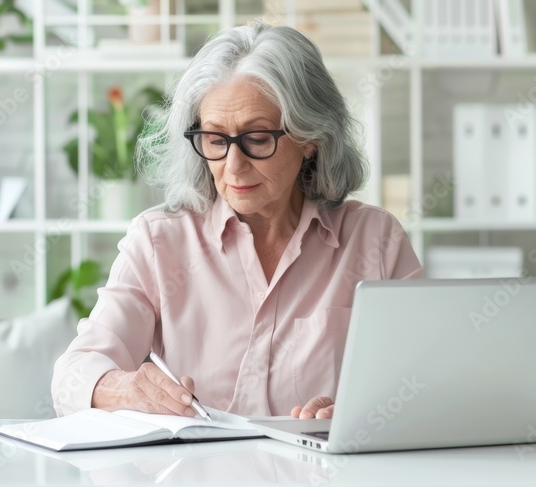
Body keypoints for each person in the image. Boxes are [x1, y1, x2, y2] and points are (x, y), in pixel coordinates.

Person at [51, 21, 422, 422]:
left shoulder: (374, 241)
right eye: (215, 139)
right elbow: (72, 376)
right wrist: (121, 389)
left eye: (258, 138)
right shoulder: (159, 242)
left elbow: (430, 379)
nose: (233, 165)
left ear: (310, 137)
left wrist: (361, 410)